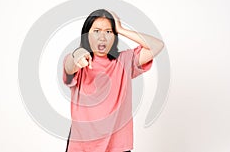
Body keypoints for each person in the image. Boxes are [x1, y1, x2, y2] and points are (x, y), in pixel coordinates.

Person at [63, 9, 164, 152]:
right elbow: (69, 66)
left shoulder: (125, 60)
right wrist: (78, 55)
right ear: (87, 35)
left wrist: (121, 29)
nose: (102, 37)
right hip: (82, 146)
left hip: (117, 146)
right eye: (96, 31)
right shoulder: (79, 61)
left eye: (108, 32)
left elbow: (157, 45)